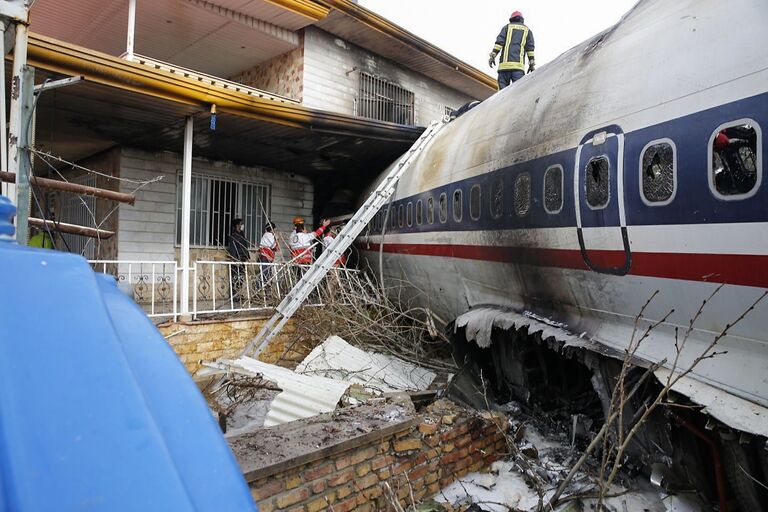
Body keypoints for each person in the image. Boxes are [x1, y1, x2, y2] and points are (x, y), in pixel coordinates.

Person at [488, 10, 535, 90]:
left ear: (511, 19)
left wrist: (493, 56)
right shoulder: (527, 31)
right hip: (518, 69)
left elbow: (499, 43)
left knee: (501, 95)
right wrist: (531, 64)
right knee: (518, 93)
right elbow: (530, 49)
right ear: (521, 19)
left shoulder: (506, 28)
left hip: (504, 68)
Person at [227, 218, 250, 300]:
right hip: (237, 259)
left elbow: (245, 247)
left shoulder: (242, 235)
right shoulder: (234, 236)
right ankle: (234, 295)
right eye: (241, 224)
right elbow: (232, 249)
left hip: (243, 259)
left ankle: (239, 294)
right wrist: (234, 259)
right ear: (237, 225)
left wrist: (247, 256)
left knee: (241, 277)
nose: (242, 226)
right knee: (235, 277)